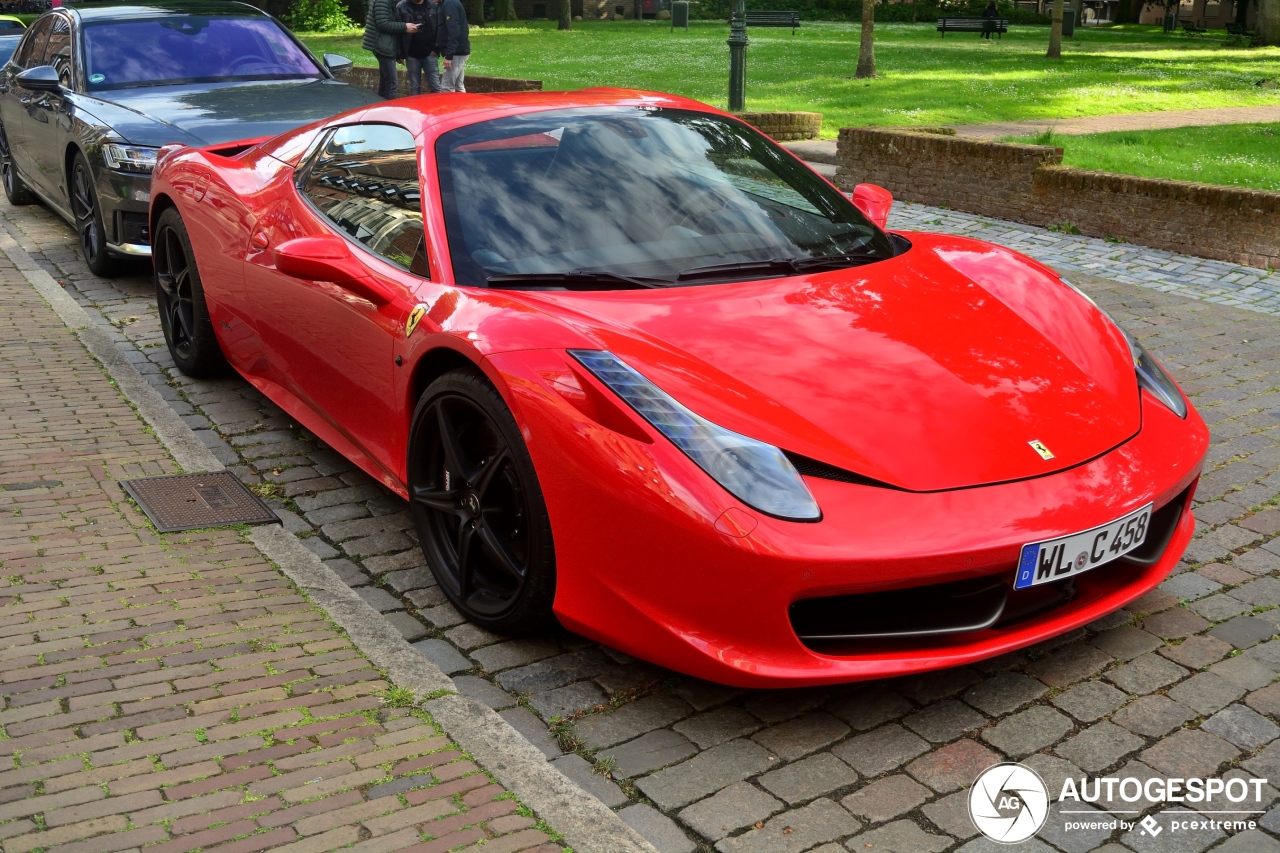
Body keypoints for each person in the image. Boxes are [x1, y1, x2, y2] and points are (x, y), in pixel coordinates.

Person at [363, 0, 418, 99]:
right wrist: (405, 26)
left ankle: (379, 109)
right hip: (382, 45)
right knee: (392, 83)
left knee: (385, 82)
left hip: (385, 45)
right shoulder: (382, 1)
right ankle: (388, 110)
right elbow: (383, 24)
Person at [397, 0, 441, 94]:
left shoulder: (433, 6)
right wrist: (400, 53)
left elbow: (439, 28)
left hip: (430, 52)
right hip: (411, 52)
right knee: (415, 88)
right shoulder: (402, 6)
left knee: (435, 87)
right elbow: (397, 31)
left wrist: (436, 49)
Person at [436, 0, 470, 93]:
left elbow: (453, 31)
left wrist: (449, 55)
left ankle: (449, 107)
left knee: (447, 87)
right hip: (458, 51)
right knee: (458, 86)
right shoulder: (448, 3)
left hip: (455, 53)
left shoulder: (449, 3)